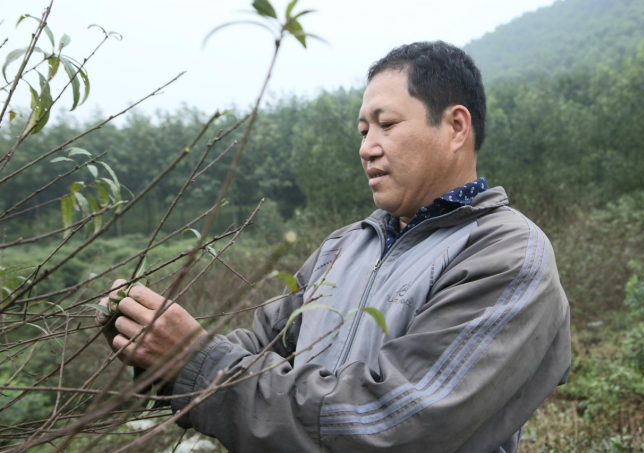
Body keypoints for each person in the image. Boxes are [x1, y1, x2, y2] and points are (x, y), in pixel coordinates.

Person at [98, 41, 571, 452]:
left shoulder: (507, 254)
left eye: (386, 124)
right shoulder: (343, 247)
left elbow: (394, 424)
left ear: (456, 127)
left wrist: (197, 364)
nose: (367, 147)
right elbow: (260, 351)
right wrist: (158, 355)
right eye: (363, 131)